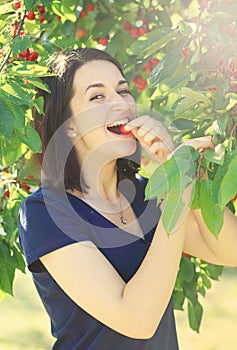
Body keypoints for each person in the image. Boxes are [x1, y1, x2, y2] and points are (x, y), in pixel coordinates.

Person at [18, 48, 237, 350]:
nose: (121, 103)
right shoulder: (45, 212)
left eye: (123, 91)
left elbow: (231, 251)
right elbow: (137, 320)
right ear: (69, 124)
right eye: (98, 97)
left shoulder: (147, 194)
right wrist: (178, 191)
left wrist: (186, 174)